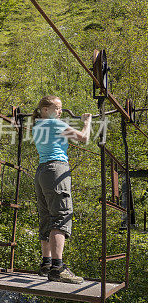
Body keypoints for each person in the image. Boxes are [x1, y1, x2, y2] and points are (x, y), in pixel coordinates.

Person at [32, 95, 92, 284]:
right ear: (44, 110)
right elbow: (84, 138)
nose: (60, 111)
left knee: (47, 216)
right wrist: (86, 122)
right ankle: (58, 268)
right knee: (61, 215)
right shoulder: (53, 124)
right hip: (56, 169)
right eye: (56, 108)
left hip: (42, 171)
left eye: (60, 108)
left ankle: (46, 264)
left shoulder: (37, 125)